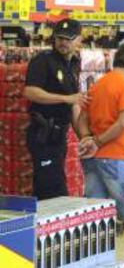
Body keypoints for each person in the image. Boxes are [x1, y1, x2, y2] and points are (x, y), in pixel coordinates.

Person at [77, 42, 124, 267]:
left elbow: (81, 119)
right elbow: (123, 123)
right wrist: (97, 141)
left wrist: (88, 138)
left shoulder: (98, 85)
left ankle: (97, 260)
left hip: (93, 160)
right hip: (117, 157)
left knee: (96, 212)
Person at [24, 18, 88, 200]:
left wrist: (85, 137)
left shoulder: (74, 63)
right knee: (52, 189)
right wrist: (65, 98)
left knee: (51, 184)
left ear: (78, 40)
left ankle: (44, 227)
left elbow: (74, 104)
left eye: (68, 39)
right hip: (43, 133)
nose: (63, 42)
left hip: (59, 135)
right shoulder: (43, 61)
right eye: (59, 38)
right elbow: (30, 92)